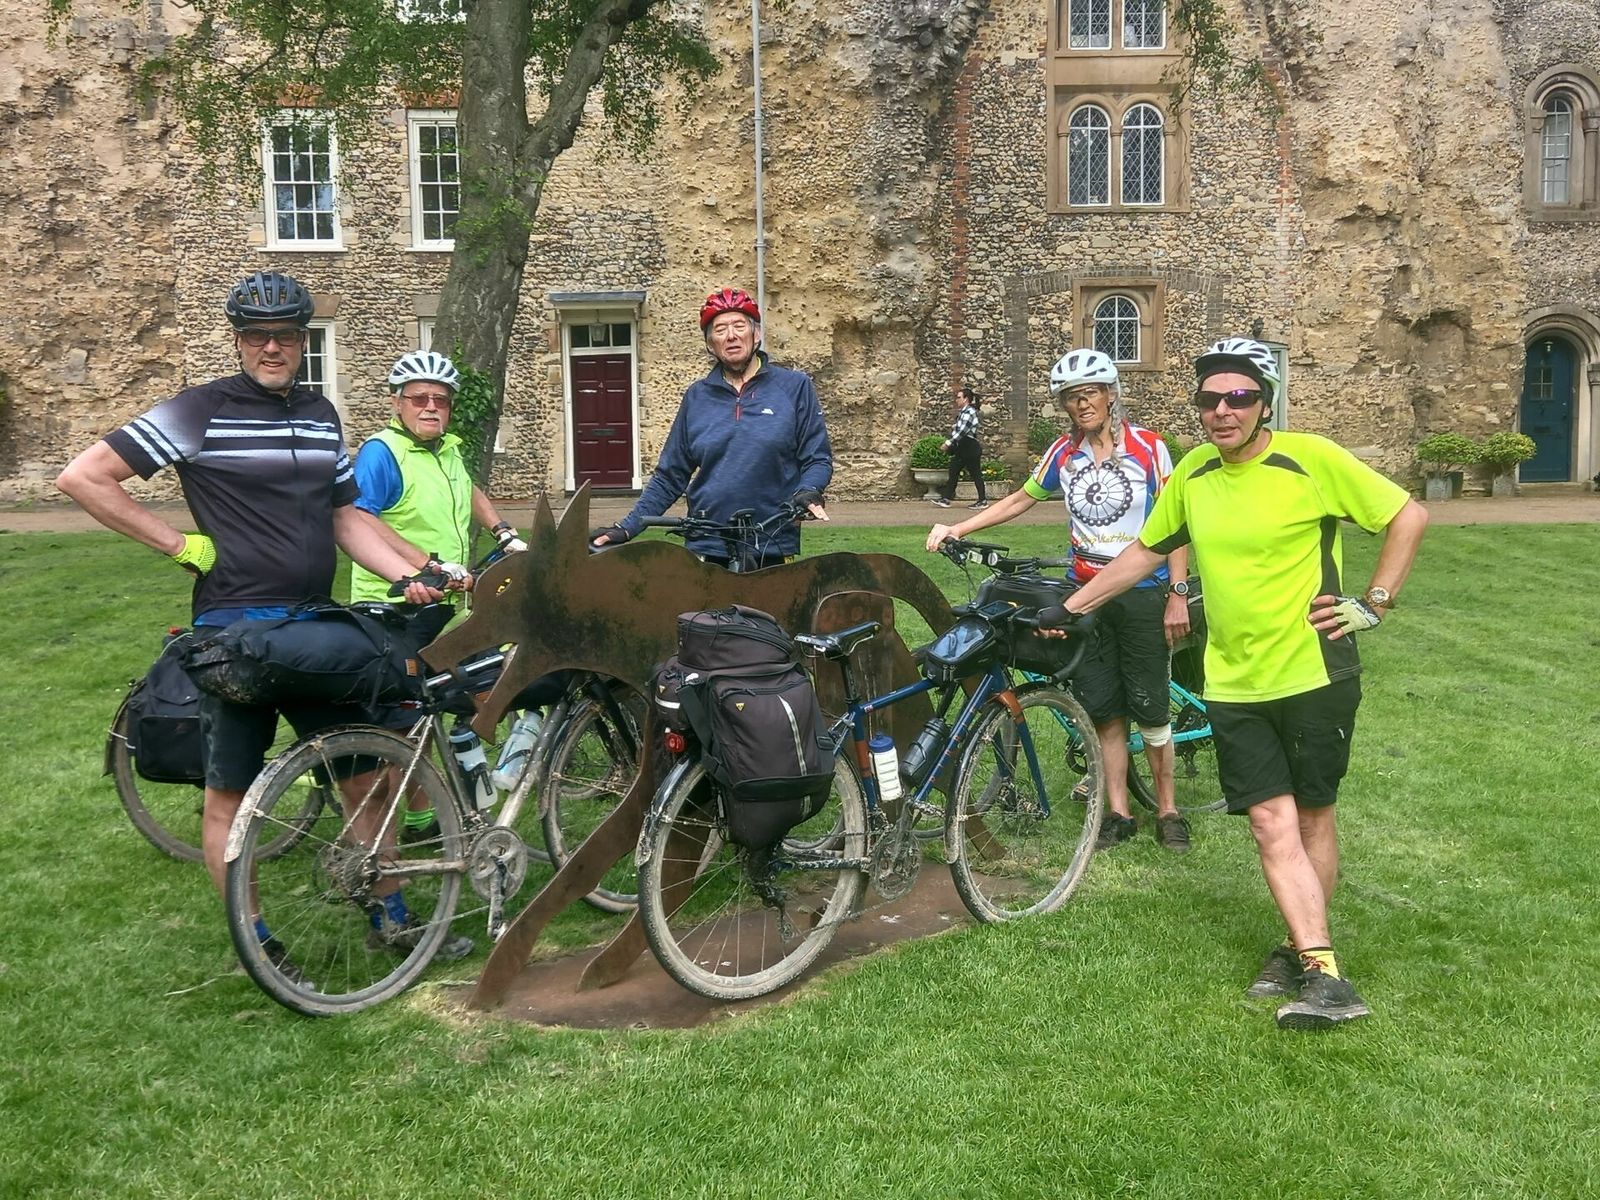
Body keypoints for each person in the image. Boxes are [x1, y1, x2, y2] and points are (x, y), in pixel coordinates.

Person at [55, 270, 462, 969]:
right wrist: (179, 545)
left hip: (316, 628)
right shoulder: (199, 409)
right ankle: (261, 945)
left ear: (303, 340)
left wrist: (406, 576)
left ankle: (392, 918)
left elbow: (344, 516)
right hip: (235, 633)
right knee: (231, 795)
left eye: (285, 336)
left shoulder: (320, 414)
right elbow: (84, 476)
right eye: (257, 335)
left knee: (363, 778)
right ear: (238, 340)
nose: (271, 347)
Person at [1049, 336, 1428, 1030]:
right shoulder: (1194, 471)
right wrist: (1071, 608)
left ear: (1264, 404)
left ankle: (1304, 954)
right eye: (1210, 400)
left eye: (1239, 397)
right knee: (1265, 820)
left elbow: (1408, 514)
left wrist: (1375, 601)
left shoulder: (1311, 459)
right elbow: (1145, 550)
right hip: (1231, 680)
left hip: (1314, 672)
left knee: (1311, 816)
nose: (1222, 411)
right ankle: (1322, 969)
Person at [926, 347, 1194, 853]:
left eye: (1089, 393)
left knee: (1151, 709)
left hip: (1142, 593)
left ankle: (1167, 809)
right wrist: (958, 527)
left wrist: (1177, 593)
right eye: (1071, 397)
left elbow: (1175, 526)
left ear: (1111, 394)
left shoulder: (1151, 448)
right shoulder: (1063, 454)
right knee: (1103, 707)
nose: (1081, 403)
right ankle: (1118, 811)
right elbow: (1020, 499)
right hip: (1084, 593)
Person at [350, 349, 529, 841]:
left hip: (441, 599)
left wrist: (503, 532)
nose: (431, 407)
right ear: (397, 403)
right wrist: (422, 565)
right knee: (406, 720)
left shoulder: (447, 447)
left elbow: (469, 488)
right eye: (419, 398)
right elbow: (361, 518)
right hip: (394, 604)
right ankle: (415, 820)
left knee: (436, 702)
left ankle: (429, 810)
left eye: (441, 400)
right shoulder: (383, 452)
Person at [591, 288, 831, 568]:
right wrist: (627, 527)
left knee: (775, 599)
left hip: (771, 540)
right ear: (710, 345)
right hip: (707, 542)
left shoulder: (794, 387)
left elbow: (817, 458)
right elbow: (670, 475)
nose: (731, 336)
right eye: (720, 330)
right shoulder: (697, 397)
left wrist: (808, 490)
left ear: (756, 334)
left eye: (739, 326)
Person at [932, 385, 987, 510]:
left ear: (966, 399)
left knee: (975, 474)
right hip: (963, 447)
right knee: (954, 470)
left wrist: (948, 443)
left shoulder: (969, 412)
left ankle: (982, 500)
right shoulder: (963, 412)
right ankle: (946, 498)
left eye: (959, 397)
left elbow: (962, 431)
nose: (956, 400)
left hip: (970, 447)